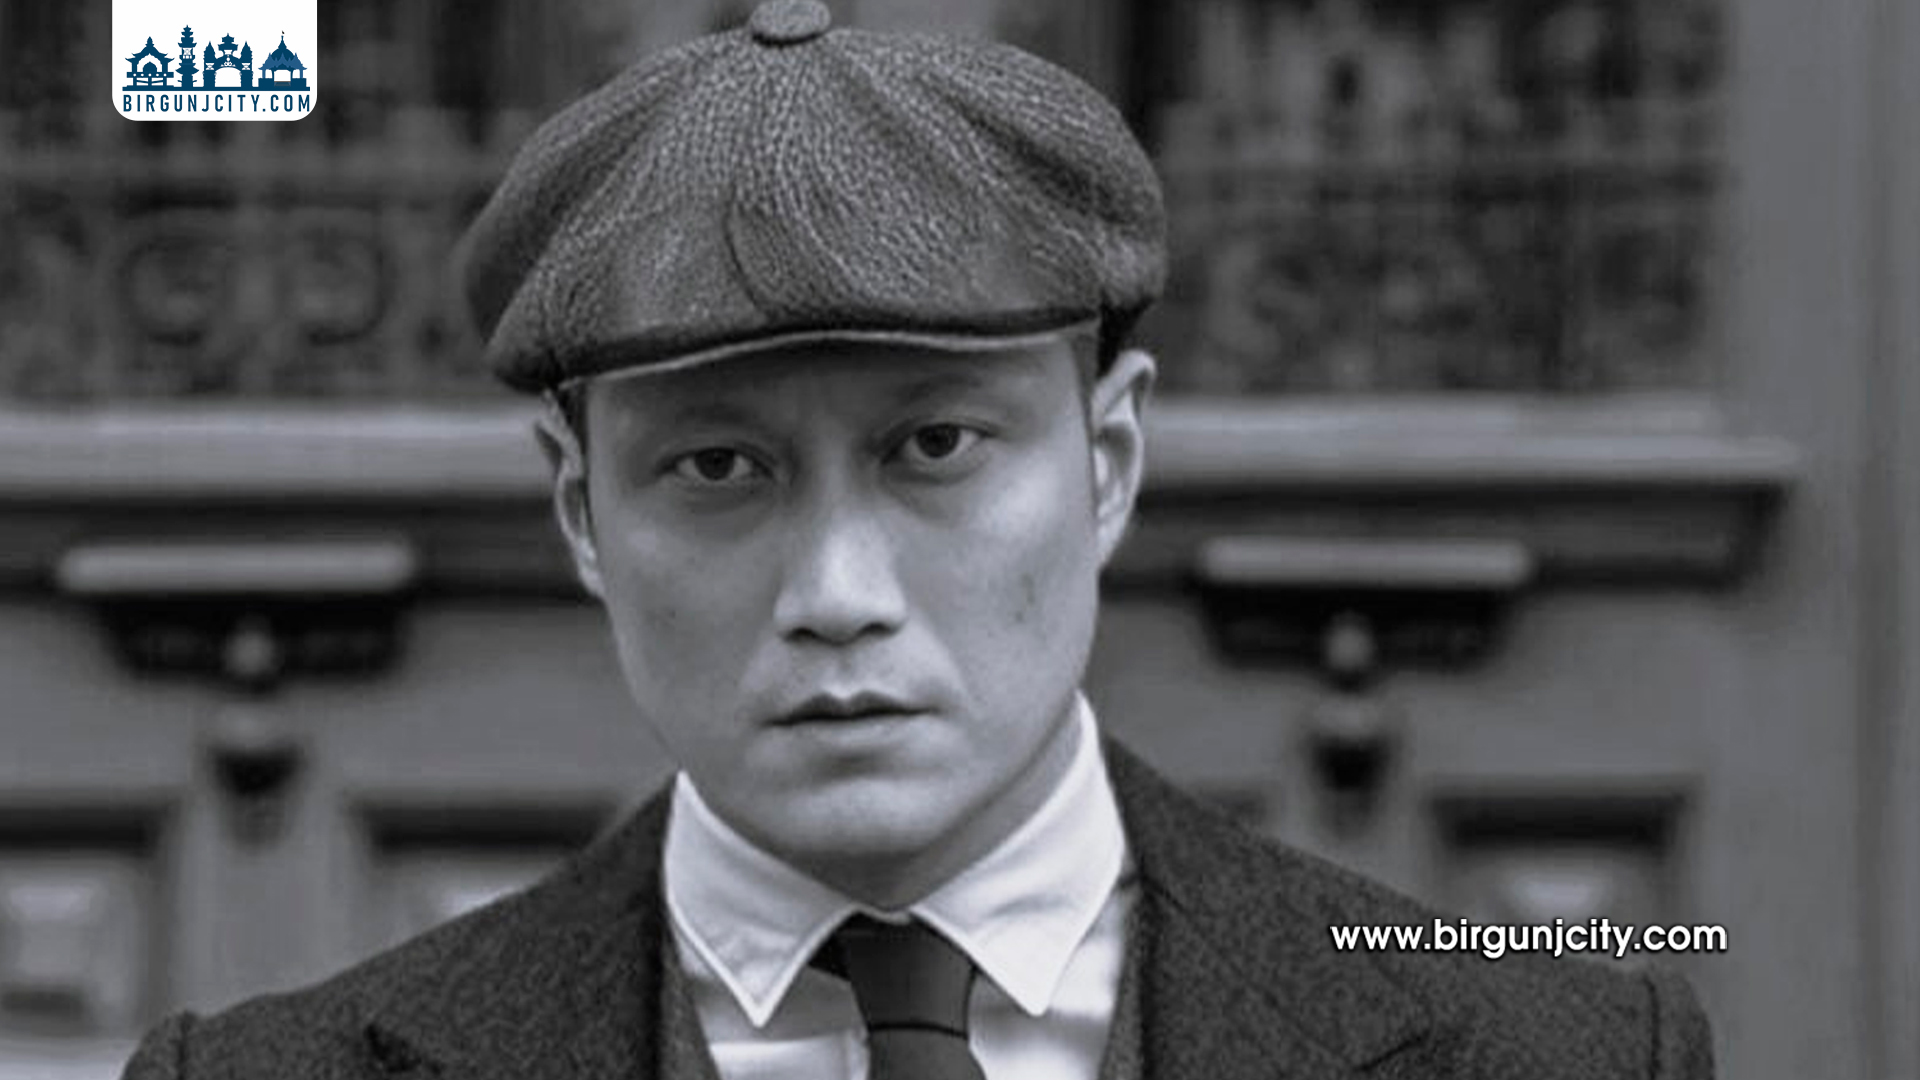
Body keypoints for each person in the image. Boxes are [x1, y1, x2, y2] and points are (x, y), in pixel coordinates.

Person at [121, 2, 1714, 1077]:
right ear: (578, 508)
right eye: (719, 467)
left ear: (1108, 461)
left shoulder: (1552, 1055)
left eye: (935, 449)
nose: (837, 595)